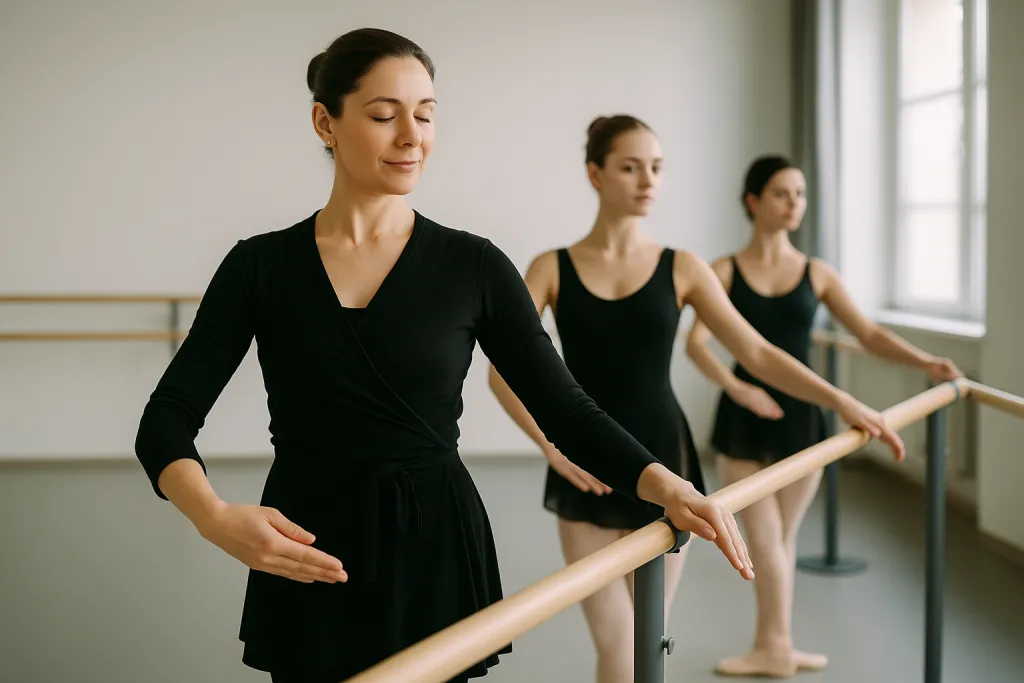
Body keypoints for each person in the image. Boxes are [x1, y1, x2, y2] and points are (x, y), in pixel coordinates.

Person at [133, 29, 763, 683]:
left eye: (426, 113)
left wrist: (670, 485)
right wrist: (212, 516)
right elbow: (167, 417)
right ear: (326, 121)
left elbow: (565, 408)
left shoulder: (475, 266)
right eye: (384, 115)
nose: (413, 136)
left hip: (433, 546)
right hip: (303, 541)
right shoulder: (259, 267)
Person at [487, 118, 906, 683]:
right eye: (630, 167)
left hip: (665, 463)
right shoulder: (550, 266)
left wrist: (845, 402)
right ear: (596, 173)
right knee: (615, 645)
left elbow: (756, 352)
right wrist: (552, 449)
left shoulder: (682, 266)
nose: (647, 180)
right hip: (582, 465)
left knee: (647, 642)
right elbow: (503, 373)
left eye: (656, 167)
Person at [685, 154, 963, 678]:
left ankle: (773, 645)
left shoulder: (817, 273)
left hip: (803, 421)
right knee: (764, 541)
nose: (795, 204)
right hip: (745, 419)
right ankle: (775, 646)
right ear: (753, 202)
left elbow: (869, 334)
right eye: (782, 193)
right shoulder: (722, 271)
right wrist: (737, 387)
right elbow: (696, 344)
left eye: (801, 194)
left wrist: (925, 361)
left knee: (783, 541)